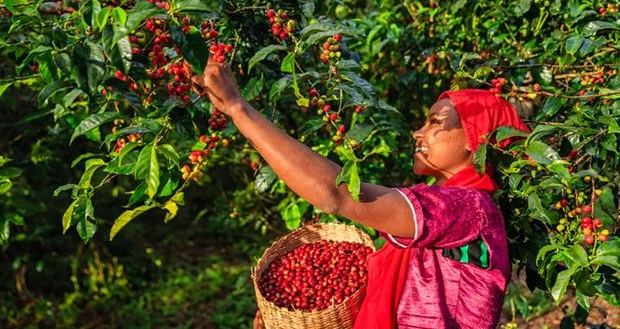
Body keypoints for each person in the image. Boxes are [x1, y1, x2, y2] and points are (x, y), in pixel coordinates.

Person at [189, 58, 529, 329]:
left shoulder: (469, 207)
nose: (417, 132)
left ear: (477, 139)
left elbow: (334, 194)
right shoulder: (445, 206)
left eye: (434, 122)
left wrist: (238, 109)